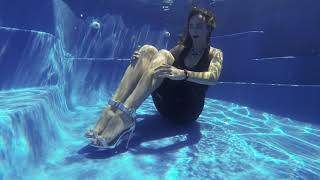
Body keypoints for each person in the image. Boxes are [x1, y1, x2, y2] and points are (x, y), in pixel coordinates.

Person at [85, 6, 223, 149]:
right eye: (191, 26)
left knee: (163, 54)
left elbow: (213, 77)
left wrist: (182, 74)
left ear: (209, 28)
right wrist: (138, 62)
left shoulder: (215, 53)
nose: (194, 30)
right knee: (148, 51)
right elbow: (156, 63)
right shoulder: (181, 49)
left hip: (186, 111)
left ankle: (123, 117)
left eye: (199, 26)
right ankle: (113, 110)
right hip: (165, 105)